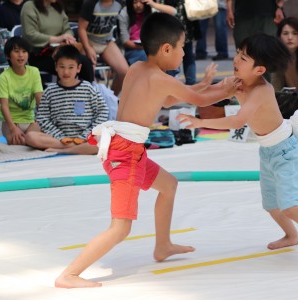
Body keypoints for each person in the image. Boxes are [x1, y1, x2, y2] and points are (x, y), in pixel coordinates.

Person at [54, 12, 237, 288]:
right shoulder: (160, 78)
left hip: (130, 151)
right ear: (166, 49)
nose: (184, 52)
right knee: (121, 227)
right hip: (125, 155)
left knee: (169, 186)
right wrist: (227, 89)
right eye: (182, 46)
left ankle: (162, 245)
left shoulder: (139, 69)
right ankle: (69, 274)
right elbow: (196, 99)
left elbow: (172, 98)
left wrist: (210, 85)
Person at [177, 33, 298, 274]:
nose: (236, 59)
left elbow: (237, 121)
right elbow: (204, 97)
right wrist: (201, 84)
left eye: (244, 57)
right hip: (268, 151)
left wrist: (197, 122)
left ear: (259, 69)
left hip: (287, 152)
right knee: (271, 205)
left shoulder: (261, 90)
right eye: (238, 53)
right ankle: (291, 234)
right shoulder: (236, 82)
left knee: (291, 206)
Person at [25, 45, 109, 155]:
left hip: (84, 137)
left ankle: (64, 150)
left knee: (104, 141)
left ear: (78, 68)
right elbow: (42, 118)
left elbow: (103, 111)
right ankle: (73, 147)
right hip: (58, 137)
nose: (66, 72)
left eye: (71, 67)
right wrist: (61, 137)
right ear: (56, 67)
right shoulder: (50, 91)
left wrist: (86, 135)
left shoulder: (88, 88)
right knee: (31, 136)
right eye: (62, 67)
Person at [21, 0, 95, 83]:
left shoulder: (57, 7)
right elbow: (31, 34)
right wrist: (58, 38)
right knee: (77, 63)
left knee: (83, 61)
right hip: (39, 54)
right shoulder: (29, 6)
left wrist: (68, 38)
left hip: (60, 50)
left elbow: (67, 29)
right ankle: (83, 90)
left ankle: (88, 90)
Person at [0, 36, 43, 145]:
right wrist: (12, 128)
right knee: (19, 142)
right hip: (11, 122)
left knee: (35, 138)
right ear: (8, 56)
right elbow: (4, 106)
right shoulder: (4, 76)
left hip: (31, 121)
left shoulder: (34, 72)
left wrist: (41, 119)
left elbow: (40, 99)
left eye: (24, 51)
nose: (21, 55)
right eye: (16, 51)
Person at [78, 0, 129, 95]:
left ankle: (111, 98)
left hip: (106, 42)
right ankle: (90, 102)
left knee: (125, 72)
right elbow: (81, 28)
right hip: (89, 42)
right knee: (89, 76)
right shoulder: (90, 4)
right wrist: (88, 48)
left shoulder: (120, 3)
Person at [158, 0, 200, 85]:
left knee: (179, 54)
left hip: (176, 25)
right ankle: (189, 82)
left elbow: (173, 10)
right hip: (184, 23)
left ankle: (178, 81)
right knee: (187, 54)